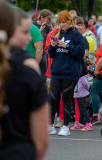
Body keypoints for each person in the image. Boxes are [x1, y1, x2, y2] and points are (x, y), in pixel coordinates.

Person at [0, 2, 48, 160]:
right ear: (11, 31)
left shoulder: (27, 68)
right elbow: (41, 141)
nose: (28, 37)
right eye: (25, 32)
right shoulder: (27, 74)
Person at [47, 10, 85, 136]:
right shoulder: (58, 34)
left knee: (66, 99)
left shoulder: (76, 34)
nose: (61, 25)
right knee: (52, 99)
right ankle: (50, 125)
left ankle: (65, 127)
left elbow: (81, 52)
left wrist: (67, 46)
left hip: (70, 72)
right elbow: (51, 54)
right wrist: (52, 46)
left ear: (69, 21)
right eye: (59, 22)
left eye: (63, 22)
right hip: (57, 71)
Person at [9, 9, 40, 74]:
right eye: (25, 32)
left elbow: (39, 49)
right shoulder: (27, 62)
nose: (30, 38)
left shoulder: (26, 60)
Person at [33, 9, 54, 76]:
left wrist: (54, 32)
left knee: (42, 78)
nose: (50, 20)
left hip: (43, 56)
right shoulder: (33, 25)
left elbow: (49, 40)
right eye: (48, 18)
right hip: (34, 55)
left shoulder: (47, 27)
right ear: (42, 17)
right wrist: (39, 30)